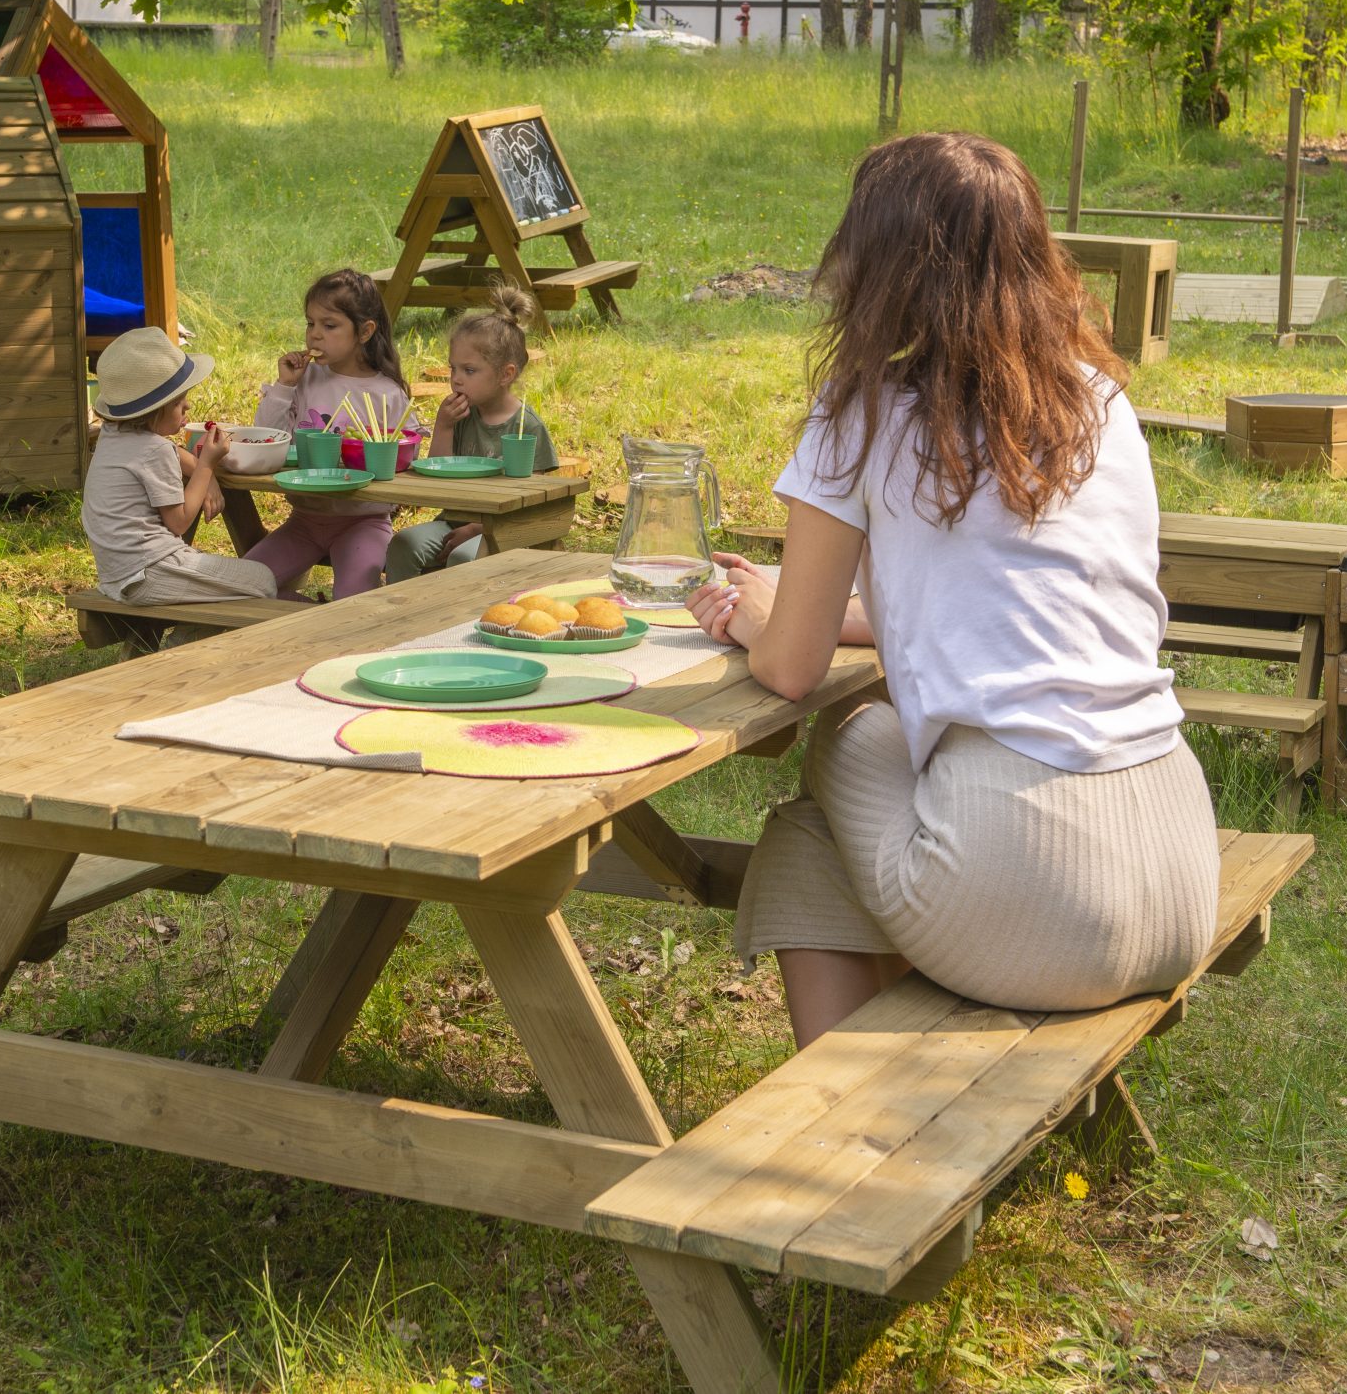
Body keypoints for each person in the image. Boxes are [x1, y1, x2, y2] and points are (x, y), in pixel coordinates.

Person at [686, 132, 1220, 1048]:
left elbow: (788, 668)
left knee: (847, 743)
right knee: (815, 839)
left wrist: (758, 615)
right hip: (1177, 862)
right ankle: (854, 1104)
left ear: (882, 264)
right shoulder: (1099, 401)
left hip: (1037, 890)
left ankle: (841, 1119)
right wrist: (856, 622)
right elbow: (1013, 609)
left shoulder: (862, 411)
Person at [83, 327, 276, 606]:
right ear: (151, 412)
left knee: (236, 589)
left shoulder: (112, 436)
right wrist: (207, 466)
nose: (187, 406)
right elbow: (179, 522)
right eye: (176, 402)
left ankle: (189, 635)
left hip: (118, 574)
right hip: (151, 572)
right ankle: (185, 641)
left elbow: (174, 452)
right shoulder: (154, 450)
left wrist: (200, 469)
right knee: (263, 580)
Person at [248, 269, 410, 600]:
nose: (315, 335)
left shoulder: (387, 393)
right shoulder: (304, 379)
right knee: (241, 584)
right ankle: (311, 620)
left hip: (364, 521)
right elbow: (266, 439)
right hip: (304, 521)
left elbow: (409, 453)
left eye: (330, 325)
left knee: (353, 603)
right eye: (310, 323)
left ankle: (332, 628)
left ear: (365, 331)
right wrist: (284, 386)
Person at [386, 286, 557, 583]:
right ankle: (402, 618)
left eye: (469, 370)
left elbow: (535, 503)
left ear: (506, 374)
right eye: (453, 368)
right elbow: (436, 477)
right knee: (403, 544)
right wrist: (444, 426)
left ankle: (454, 624)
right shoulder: (462, 416)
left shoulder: (527, 427)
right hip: (452, 521)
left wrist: (481, 529)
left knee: (463, 557)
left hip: (503, 529)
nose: (455, 379)